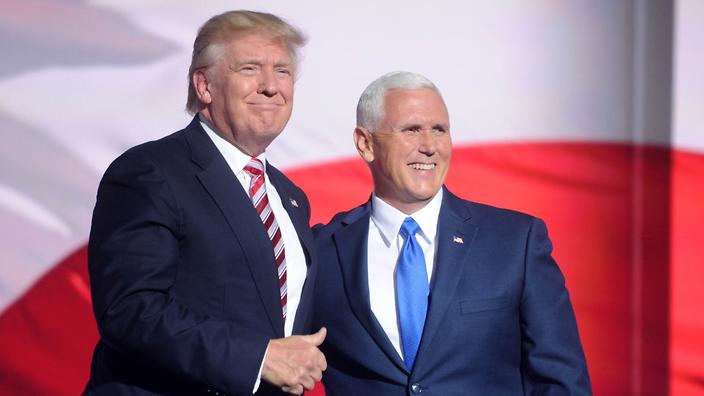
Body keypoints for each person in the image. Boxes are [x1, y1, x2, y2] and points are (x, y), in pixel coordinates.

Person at [85, 10, 326, 396]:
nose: (270, 86)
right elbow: (131, 310)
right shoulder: (150, 172)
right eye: (250, 69)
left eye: (282, 71)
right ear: (205, 85)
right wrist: (258, 358)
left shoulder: (290, 197)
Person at [312, 71, 592, 395]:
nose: (429, 146)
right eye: (412, 130)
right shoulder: (321, 251)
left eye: (439, 130)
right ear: (366, 143)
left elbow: (561, 381)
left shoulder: (517, 242)